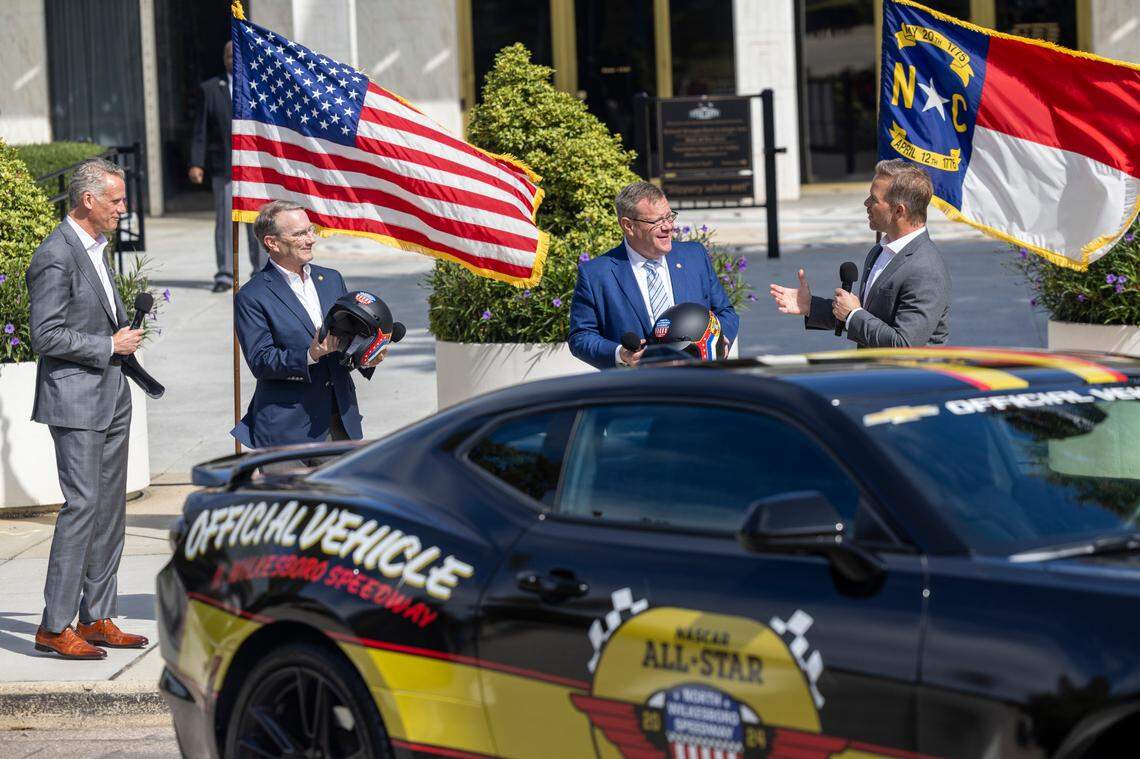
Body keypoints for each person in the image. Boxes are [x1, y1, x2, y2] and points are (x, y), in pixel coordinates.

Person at [26, 159, 150, 659]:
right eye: (117, 200)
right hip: (76, 399)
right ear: (88, 201)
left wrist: (118, 346)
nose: (124, 209)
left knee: (109, 509)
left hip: (111, 395)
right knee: (81, 508)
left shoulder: (96, 249)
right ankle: (54, 626)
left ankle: (96, 617)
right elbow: (45, 334)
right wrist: (109, 345)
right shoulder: (56, 255)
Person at [232, 200, 385, 449]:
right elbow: (261, 361)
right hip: (287, 430)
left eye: (310, 230)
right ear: (272, 242)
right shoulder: (253, 295)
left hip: (340, 423)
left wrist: (366, 357)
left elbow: (345, 341)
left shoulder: (331, 279)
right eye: (300, 234)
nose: (311, 239)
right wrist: (309, 354)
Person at [769, 159, 950, 347]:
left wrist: (853, 314)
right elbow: (869, 316)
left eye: (874, 199)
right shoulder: (880, 250)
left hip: (911, 375)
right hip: (875, 371)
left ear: (898, 211)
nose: (866, 203)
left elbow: (904, 345)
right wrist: (811, 306)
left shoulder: (925, 269)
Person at [569, 181, 739, 369]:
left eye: (669, 217)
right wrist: (621, 354)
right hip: (638, 389)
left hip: (698, 382)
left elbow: (725, 312)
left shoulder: (694, 256)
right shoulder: (597, 274)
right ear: (628, 226)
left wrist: (720, 341)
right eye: (656, 221)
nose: (668, 227)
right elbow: (581, 337)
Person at [189, 40, 265, 293]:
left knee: (256, 223)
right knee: (224, 222)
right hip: (224, 169)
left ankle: (259, 273)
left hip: (253, 170)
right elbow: (200, 130)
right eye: (228, 56)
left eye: (237, 56)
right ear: (223, 58)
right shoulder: (210, 89)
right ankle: (224, 274)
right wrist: (196, 163)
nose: (233, 60)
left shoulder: (257, 88)